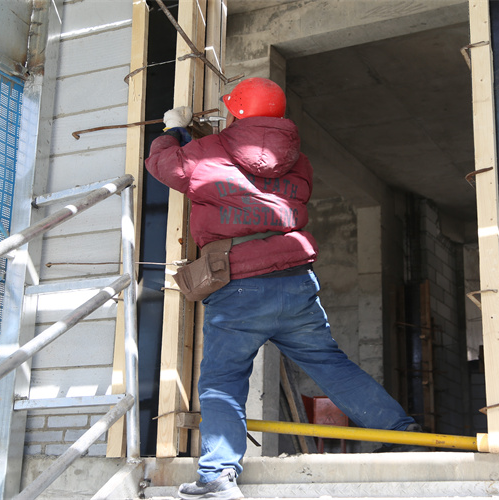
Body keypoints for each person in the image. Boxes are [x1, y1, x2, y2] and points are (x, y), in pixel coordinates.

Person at [145, 77, 420, 500]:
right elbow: (254, 172)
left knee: (222, 381)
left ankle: (218, 476)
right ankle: (401, 434)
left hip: (238, 287)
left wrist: (171, 132)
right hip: (295, 282)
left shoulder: (207, 152)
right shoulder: (299, 162)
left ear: (236, 112)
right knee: (331, 365)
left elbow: (166, 166)